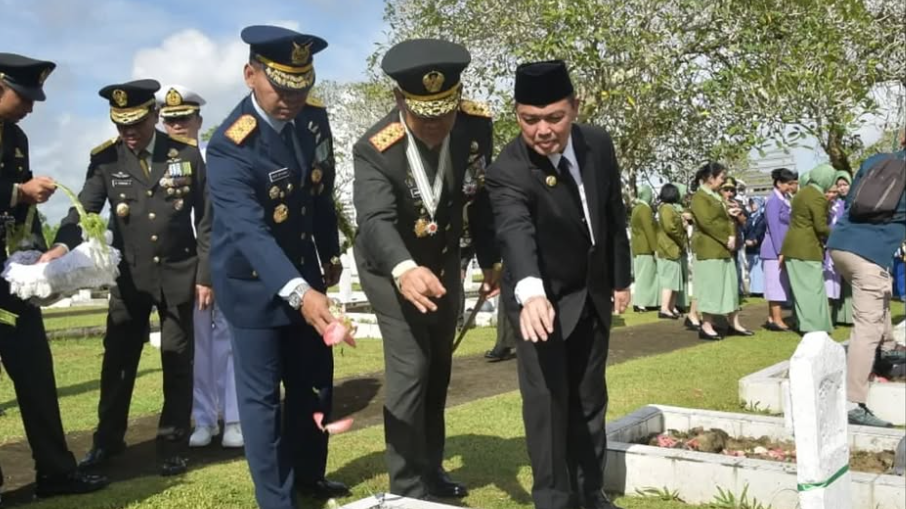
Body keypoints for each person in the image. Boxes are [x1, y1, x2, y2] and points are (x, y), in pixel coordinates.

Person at [204, 25, 349, 509]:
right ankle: (276, 499)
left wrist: (329, 254)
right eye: (281, 87)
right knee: (262, 400)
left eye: (301, 86)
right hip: (251, 286)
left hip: (305, 274)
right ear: (250, 75)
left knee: (315, 384)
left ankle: (309, 477)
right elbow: (250, 233)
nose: (291, 99)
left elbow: (319, 191)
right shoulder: (229, 146)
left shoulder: (312, 120)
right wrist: (300, 291)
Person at [40, 79, 211, 477]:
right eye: (121, 125)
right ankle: (107, 441)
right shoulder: (106, 159)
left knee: (177, 361)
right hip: (129, 278)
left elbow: (207, 219)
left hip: (178, 272)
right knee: (118, 362)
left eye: (135, 123)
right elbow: (84, 210)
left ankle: (172, 444)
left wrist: (206, 275)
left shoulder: (185, 154)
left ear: (154, 115)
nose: (128, 132)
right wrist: (61, 246)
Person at [352, 39, 499, 500]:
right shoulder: (375, 148)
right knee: (411, 365)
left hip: (442, 263)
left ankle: (431, 470)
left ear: (458, 99)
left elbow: (480, 197)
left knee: (437, 366)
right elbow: (374, 221)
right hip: (389, 269)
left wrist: (492, 259)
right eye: (424, 116)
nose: (435, 126)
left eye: (444, 114)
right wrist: (403, 268)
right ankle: (406, 489)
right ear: (400, 100)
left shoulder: (475, 126)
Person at [486, 60, 632, 509]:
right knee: (548, 404)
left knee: (590, 398)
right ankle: (552, 499)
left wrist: (620, 278)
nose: (543, 130)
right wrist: (532, 294)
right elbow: (515, 231)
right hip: (541, 304)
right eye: (530, 119)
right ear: (517, 115)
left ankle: (591, 493)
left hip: (592, 294)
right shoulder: (507, 169)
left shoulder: (597, 144)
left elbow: (612, 213)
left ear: (575, 107)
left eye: (555, 117)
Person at [0, 52, 109, 503]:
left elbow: (21, 212)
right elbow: (15, 194)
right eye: (24, 96)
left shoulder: (17, 138)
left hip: (9, 280)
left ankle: (56, 472)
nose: (31, 106)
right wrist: (16, 191)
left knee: (36, 375)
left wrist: (40, 254)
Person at [155, 84, 243, 449]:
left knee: (230, 342)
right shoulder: (159, 164)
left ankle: (235, 419)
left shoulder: (216, 156)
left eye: (184, 119)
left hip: (224, 258)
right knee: (199, 348)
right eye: (170, 120)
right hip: (186, 265)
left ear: (199, 120)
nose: (177, 126)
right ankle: (205, 419)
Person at [828, 127, 906, 427]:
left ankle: (887, 350)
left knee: (881, 293)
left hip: (840, 245)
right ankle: (852, 402)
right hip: (869, 255)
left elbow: (849, 202)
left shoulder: (875, 161)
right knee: (867, 327)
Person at [689, 162, 752, 340]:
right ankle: (707, 325)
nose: (723, 181)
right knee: (711, 288)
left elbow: (727, 220)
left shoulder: (716, 196)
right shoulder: (700, 197)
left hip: (724, 249)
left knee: (729, 286)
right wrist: (727, 238)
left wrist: (731, 235)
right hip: (709, 249)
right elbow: (707, 223)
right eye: (721, 177)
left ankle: (734, 322)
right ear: (710, 178)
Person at [780, 163, 835, 334]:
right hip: (806, 248)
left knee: (802, 290)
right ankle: (813, 327)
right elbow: (821, 226)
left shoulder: (802, 193)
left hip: (793, 247)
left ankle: (806, 323)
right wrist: (839, 236)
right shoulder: (817, 197)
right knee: (811, 290)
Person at [760, 168, 798, 332]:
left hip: (780, 248)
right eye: (788, 183)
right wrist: (780, 251)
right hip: (773, 250)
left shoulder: (784, 199)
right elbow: (774, 228)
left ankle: (772, 318)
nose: (791, 186)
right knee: (775, 285)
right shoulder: (773, 201)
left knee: (778, 283)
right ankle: (777, 319)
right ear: (779, 183)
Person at [824, 170, 853, 326]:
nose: (842, 188)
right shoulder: (833, 204)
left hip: (849, 244)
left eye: (845, 184)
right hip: (833, 245)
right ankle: (835, 315)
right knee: (833, 282)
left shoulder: (853, 201)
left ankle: (848, 316)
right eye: (839, 185)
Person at [655, 183, 686, 319]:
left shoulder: (668, 208)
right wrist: (681, 239)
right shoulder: (666, 208)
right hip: (669, 248)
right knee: (669, 281)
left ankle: (670, 307)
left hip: (673, 249)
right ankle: (664, 308)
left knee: (674, 281)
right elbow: (670, 228)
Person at [630, 184, 658, 312]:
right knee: (645, 277)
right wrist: (655, 248)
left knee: (642, 276)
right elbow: (649, 230)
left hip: (638, 247)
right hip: (646, 247)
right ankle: (641, 303)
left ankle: (644, 302)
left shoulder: (636, 208)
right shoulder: (645, 209)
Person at [743, 197, 766, 296]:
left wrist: (755, 240)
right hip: (749, 247)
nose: (752, 205)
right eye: (751, 203)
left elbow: (761, 230)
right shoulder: (750, 217)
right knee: (751, 269)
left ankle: (759, 290)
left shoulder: (762, 217)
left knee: (758, 270)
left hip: (758, 247)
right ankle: (752, 290)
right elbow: (745, 229)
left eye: (754, 203)